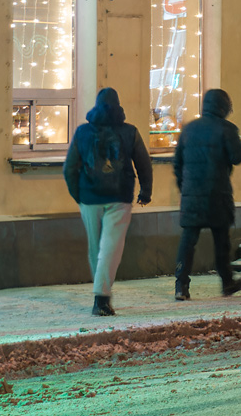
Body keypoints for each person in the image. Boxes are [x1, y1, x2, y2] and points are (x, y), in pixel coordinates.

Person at [64, 87, 153, 316]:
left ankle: (100, 294)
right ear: (119, 106)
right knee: (111, 248)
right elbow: (143, 163)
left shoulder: (82, 132)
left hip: (89, 198)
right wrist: (145, 190)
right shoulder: (130, 132)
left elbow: (69, 168)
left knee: (96, 248)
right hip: (119, 197)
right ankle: (101, 298)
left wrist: (79, 195)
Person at [173, 89, 241, 300]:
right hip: (218, 193)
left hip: (191, 195)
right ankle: (227, 282)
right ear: (223, 106)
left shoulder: (188, 129)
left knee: (188, 240)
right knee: (221, 240)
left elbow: (177, 164)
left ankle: (181, 286)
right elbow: (238, 156)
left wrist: (185, 188)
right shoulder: (226, 129)